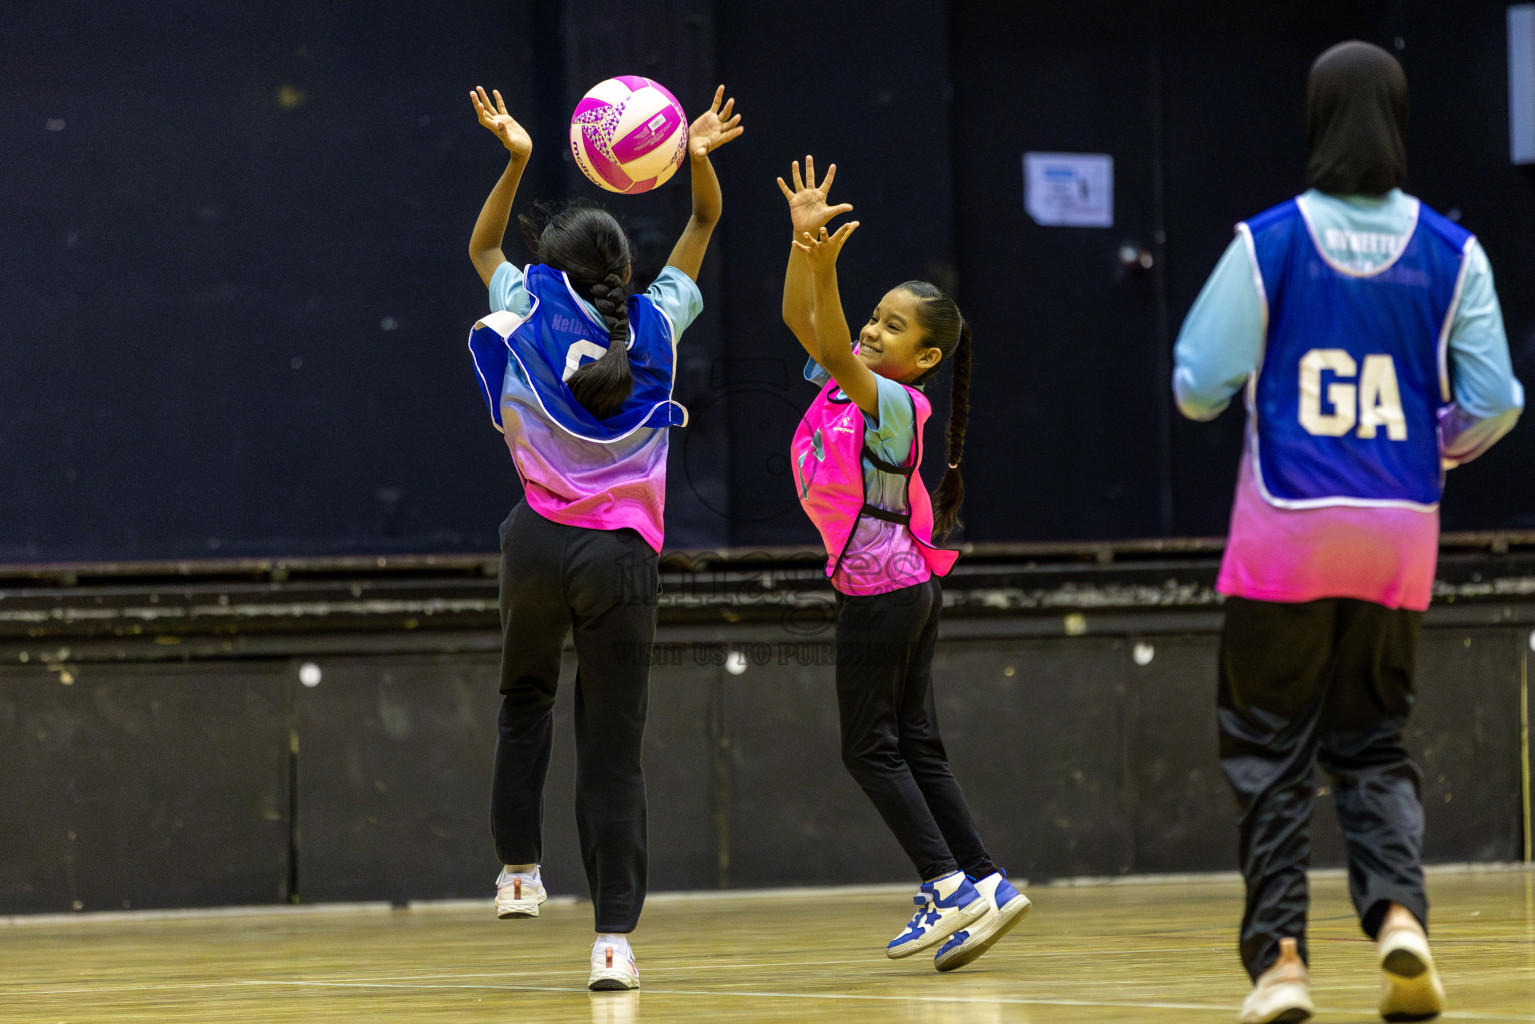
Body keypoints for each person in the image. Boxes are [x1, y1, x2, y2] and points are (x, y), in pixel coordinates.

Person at [1173, 42, 1523, 1024]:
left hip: (1281, 533)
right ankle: (1401, 916)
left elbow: (1196, 387)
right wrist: (1429, 447)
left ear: (1314, 118)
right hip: (1397, 531)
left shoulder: (1269, 242)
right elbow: (1494, 401)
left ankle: (1281, 961)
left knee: (1268, 749)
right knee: (1370, 740)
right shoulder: (1454, 253)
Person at [465, 83, 741, 991]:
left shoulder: (526, 300)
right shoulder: (657, 317)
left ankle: (516, 873)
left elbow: (481, 248)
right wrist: (695, 155)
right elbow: (705, 220)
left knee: (524, 703)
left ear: (555, 266)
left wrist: (514, 158)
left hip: (535, 544)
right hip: (620, 560)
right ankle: (613, 942)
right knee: (611, 750)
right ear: (626, 268)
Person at [778, 157, 1031, 972]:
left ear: (924, 360)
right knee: (915, 742)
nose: (873, 332)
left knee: (868, 749)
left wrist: (828, 265)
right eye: (875, 318)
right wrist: (800, 247)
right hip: (905, 588)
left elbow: (833, 341)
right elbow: (803, 325)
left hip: (884, 594)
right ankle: (986, 882)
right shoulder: (847, 378)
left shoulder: (895, 402)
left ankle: (944, 886)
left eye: (893, 327)